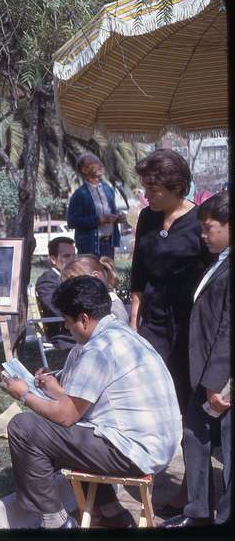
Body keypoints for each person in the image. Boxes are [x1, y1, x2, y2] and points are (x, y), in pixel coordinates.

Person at [4, 276, 181, 529]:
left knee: (24, 427)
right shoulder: (124, 334)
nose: (66, 329)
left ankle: (54, 522)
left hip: (135, 452)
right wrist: (54, 392)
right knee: (72, 430)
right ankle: (112, 512)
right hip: (157, 446)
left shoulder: (98, 348)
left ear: (84, 319)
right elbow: (83, 404)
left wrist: (24, 394)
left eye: (67, 321)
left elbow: (66, 417)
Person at [128, 149, 212, 516]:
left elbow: (214, 278)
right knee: (153, 405)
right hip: (154, 326)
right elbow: (138, 275)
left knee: (190, 412)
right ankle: (145, 469)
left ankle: (192, 490)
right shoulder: (147, 217)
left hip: (191, 326)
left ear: (177, 186)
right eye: (145, 187)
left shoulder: (202, 221)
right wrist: (134, 322)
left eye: (154, 187)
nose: (147, 195)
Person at [162, 192, 230, 528]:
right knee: (194, 437)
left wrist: (216, 383)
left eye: (209, 228)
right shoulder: (219, 260)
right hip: (204, 373)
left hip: (222, 378)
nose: (202, 235)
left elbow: (230, 330)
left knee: (229, 451)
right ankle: (198, 511)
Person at [66, 154, 125, 259]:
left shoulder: (107, 189)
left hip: (109, 245)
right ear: (85, 170)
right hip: (90, 247)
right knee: (92, 275)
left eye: (100, 162)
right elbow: (72, 221)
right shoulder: (79, 194)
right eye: (95, 163)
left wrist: (118, 217)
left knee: (108, 275)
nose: (101, 165)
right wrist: (100, 219)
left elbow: (111, 211)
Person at [34, 236, 76, 349]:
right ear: (53, 259)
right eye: (66, 256)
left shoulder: (75, 276)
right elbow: (55, 307)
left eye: (74, 255)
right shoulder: (47, 280)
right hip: (65, 334)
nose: (72, 260)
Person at [60, 254, 129, 323]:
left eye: (77, 286)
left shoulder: (113, 305)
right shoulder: (92, 306)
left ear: (95, 278)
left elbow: (121, 330)